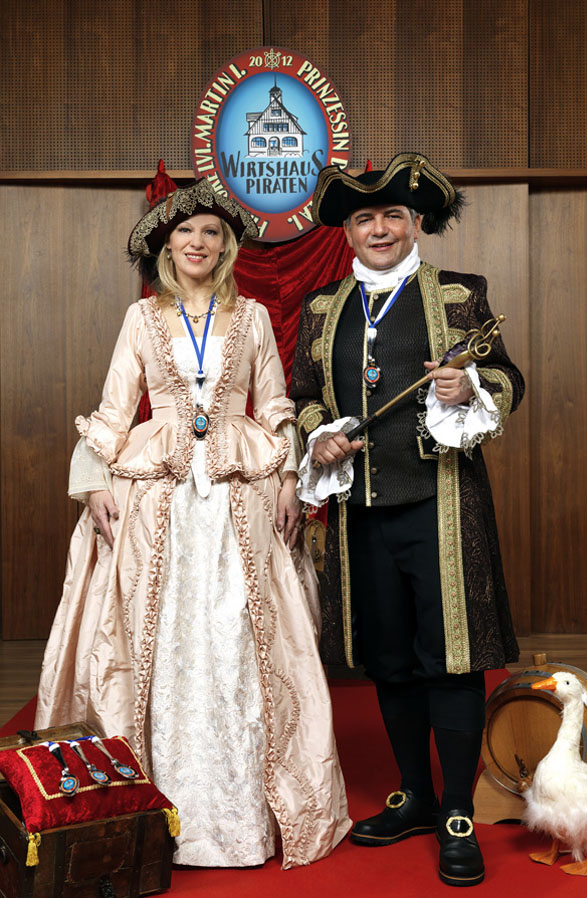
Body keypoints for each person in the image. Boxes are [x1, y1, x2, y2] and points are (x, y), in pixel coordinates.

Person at [35, 178, 350, 868]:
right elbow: (115, 408)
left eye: (211, 232)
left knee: (237, 637)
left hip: (240, 490)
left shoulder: (254, 317)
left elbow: (274, 404)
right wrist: (93, 482)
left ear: (227, 246)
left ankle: (243, 818)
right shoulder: (141, 317)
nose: (197, 243)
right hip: (161, 497)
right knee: (164, 638)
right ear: (167, 246)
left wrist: (289, 479)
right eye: (185, 232)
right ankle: (155, 809)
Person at [290, 153, 524, 887]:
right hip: (360, 511)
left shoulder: (459, 294)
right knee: (388, 657)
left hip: (441, 506)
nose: (380, 228)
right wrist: (318, 434)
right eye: (365, 218)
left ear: (414, 222)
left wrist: (467, 386)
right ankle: (415, 796)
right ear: (348, 232)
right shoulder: (322, 307)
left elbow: (506, 377)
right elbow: (304, 395)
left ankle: (456, 812)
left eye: (392, 215)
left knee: (450, 658)